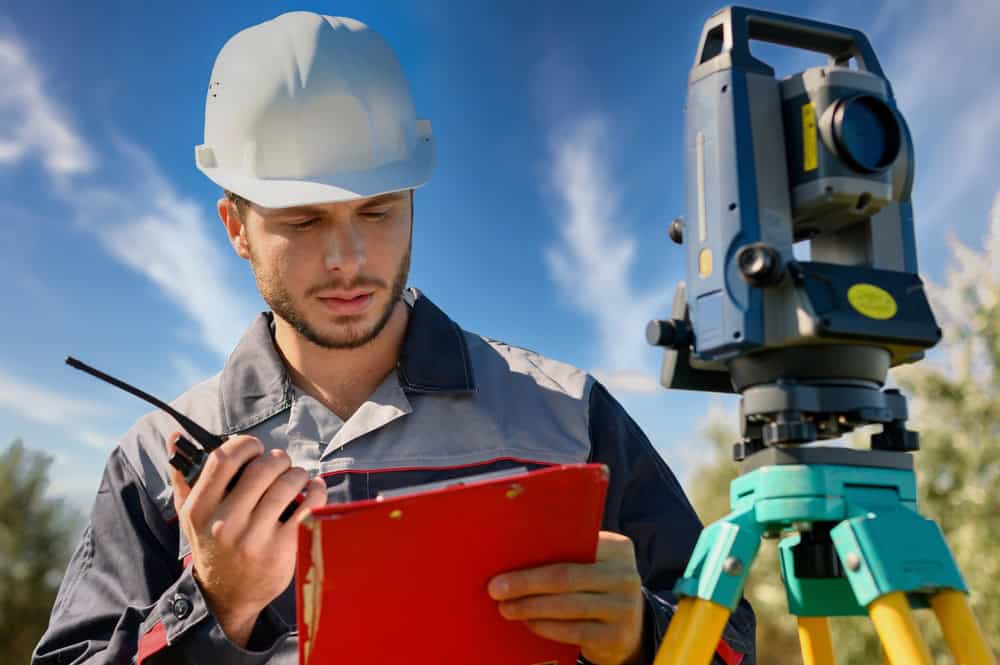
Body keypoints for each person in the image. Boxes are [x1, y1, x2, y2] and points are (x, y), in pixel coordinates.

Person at [33, 11, 755, 665]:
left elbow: (731, 644)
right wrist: (216, 606)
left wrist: (641, 635)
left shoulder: (570, 414)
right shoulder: (153, 462)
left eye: (377, 210)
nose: (348, 257)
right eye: (304, 220)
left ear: (414, 199)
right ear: (236, 228)